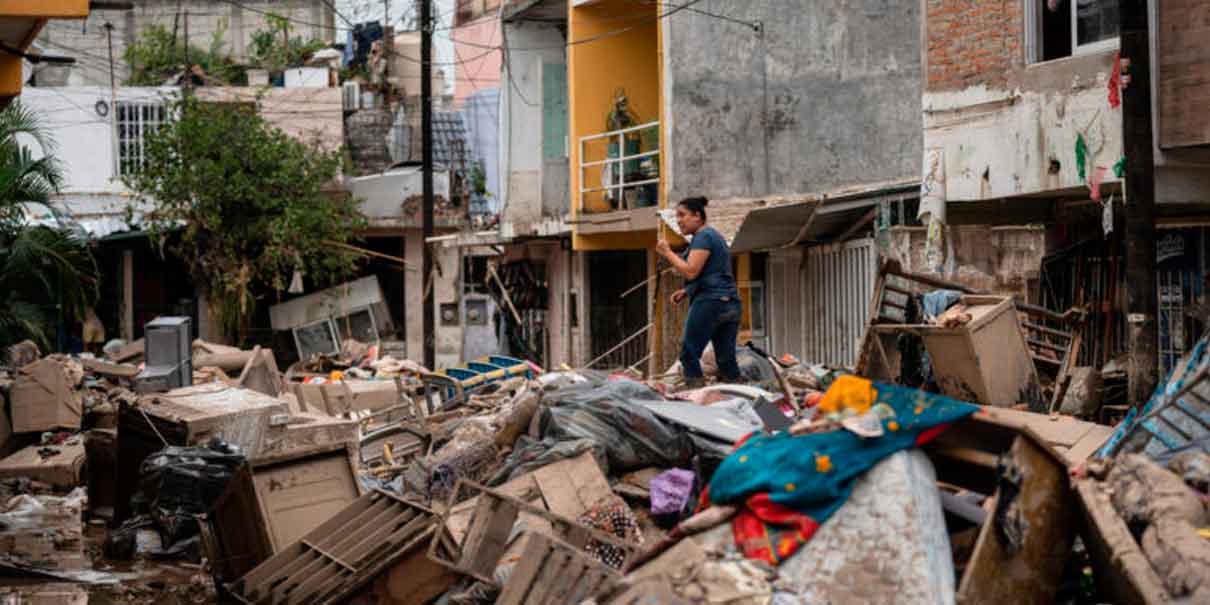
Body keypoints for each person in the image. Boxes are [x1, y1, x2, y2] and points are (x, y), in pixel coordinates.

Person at [655, 196, 742, 388]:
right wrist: (686, 291)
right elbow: (713, 271)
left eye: (682, 215)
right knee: (726, 359)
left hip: (711, 302)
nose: (678, 220)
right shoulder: (713, 237)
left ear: (697, 216)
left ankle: (696, 396)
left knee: (689, 353)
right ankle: (739, 393)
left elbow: (691, 271)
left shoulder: (704, 237)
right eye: (677, 216)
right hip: (729, 303)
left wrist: (667, 252)